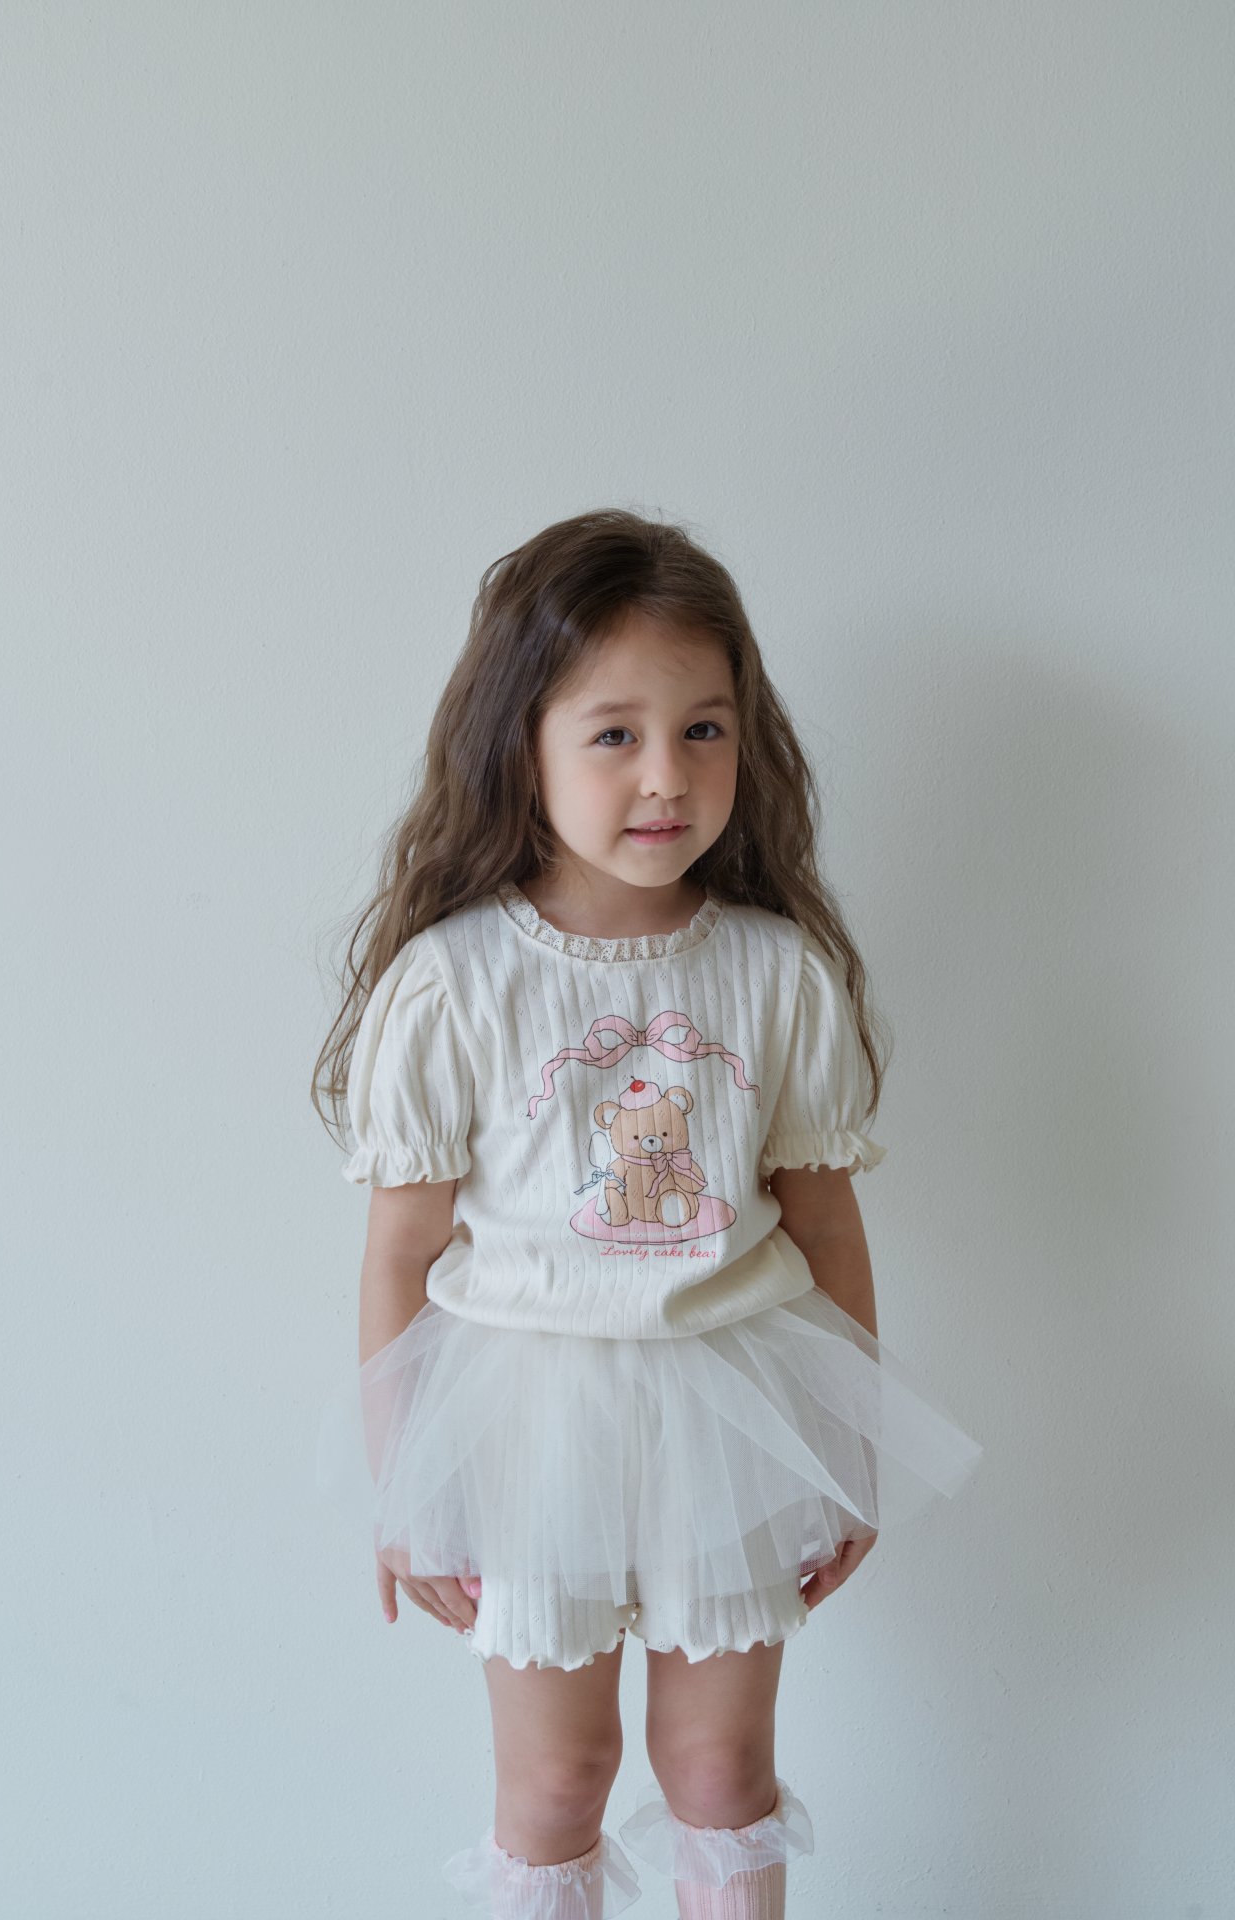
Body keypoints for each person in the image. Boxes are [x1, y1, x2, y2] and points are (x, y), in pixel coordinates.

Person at [313, 507, 984, 1919]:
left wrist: (851, 1441)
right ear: (523, 747)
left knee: (719, 1764)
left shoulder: (776, 974)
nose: (667, 774)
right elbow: (399, 1253)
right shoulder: (456, 982)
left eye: (704, 729)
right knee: (558, 1780)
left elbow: (825, 1223)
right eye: (614, 733)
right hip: (526, 1421)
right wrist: (404, 1489)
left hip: (731, 1412)